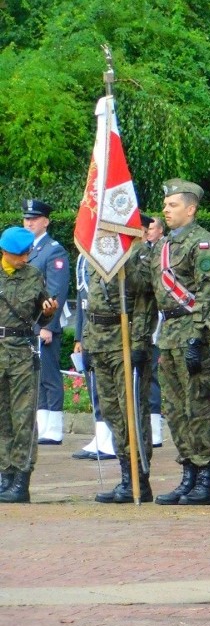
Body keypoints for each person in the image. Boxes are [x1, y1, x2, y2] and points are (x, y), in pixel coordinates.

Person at [151, 179, 210, 506]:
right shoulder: (162, 246)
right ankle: (188, 473)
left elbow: (209, 294)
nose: (166, 209)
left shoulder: (203, 244)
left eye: (173, 205)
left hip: (193, 332)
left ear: (190, 209)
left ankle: (205, 477)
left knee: (198, 405)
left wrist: (198, 335)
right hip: (168, 333)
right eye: (166, 205)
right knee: (174, 409)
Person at [85, 220, 158, 503]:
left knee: (132, 412)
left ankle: (139, 477)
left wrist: (139, 343)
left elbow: (144, 302)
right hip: (100, 342)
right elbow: (89, 302)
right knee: (112, 412)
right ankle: (125, 476)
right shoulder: (96, 256)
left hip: (124, 343)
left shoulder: (138, 255)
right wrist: (88, 342)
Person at [0, 227, 59, 503]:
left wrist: (48, 313)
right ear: (5, 252)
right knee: (2, 419)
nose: (24, 258)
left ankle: (22, 479)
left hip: (22, 354)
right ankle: (5, 475)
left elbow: (41, 316)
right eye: (19, 255)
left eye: (26, 253)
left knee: (23, 417)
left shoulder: (33, 276)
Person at [22, 200, 69, 445]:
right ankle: (43, 425)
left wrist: (48, 325)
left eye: (34, 219)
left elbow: (56, 291)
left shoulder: (53, 250)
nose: (29, 223)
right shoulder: (28, 249)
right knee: (36, 376)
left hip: (44, 324)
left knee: (50, 375)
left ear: (46, 222)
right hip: (29, 324)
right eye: (26, 219)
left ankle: (55, 427)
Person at [70, 253, 116, 461]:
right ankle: (101, 434)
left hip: (111, 333)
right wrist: (79, 336)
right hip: (91, 331)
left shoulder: (112, 255)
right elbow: (83, 302)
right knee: (95, 386)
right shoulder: (84, 257)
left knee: (111, 389)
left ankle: (114, 437)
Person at [143, 216, 165, 448]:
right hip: (142, 323)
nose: (148, 232)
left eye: (151, 229)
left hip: (158, 322)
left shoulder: (162, 251)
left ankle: (156, 429)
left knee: (154, 378)